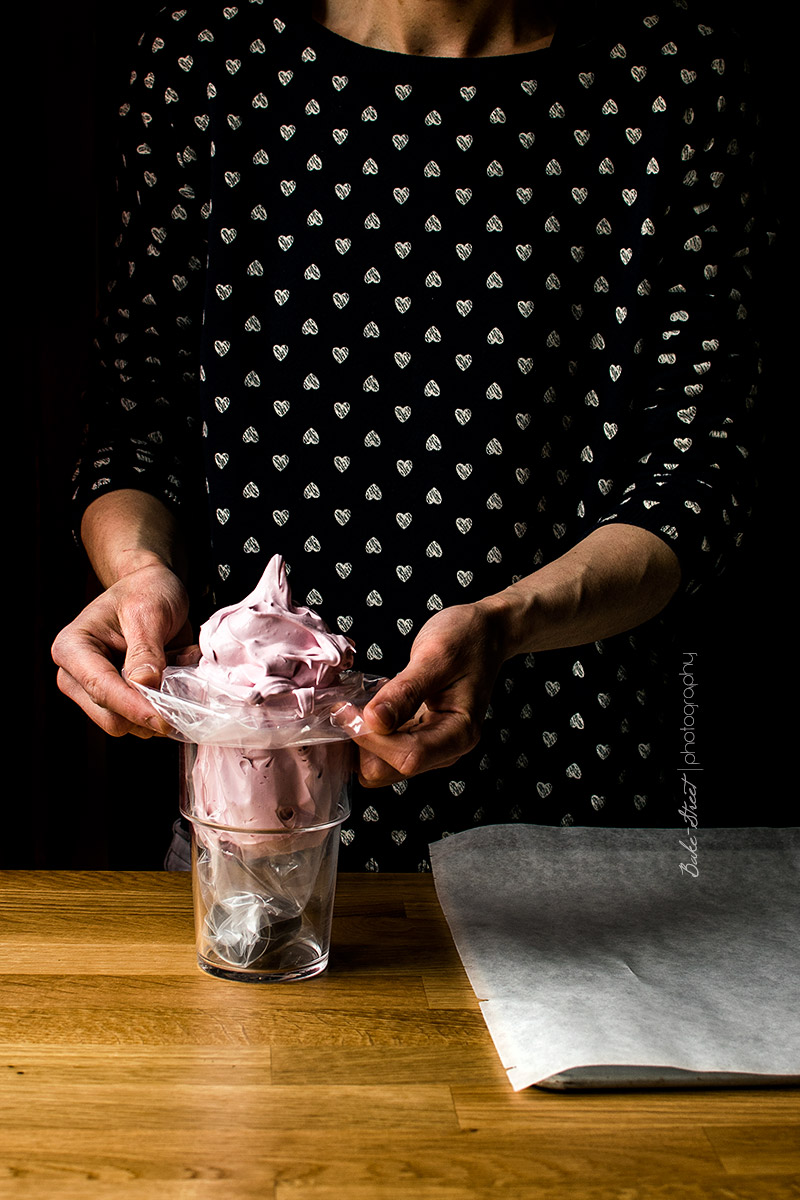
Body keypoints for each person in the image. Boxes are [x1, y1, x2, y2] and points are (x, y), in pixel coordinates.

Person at [52, 0, 764, 870]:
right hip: (257, 820)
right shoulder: (209, 53)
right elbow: (135, 414)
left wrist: (503, 625)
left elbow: (697, 473)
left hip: (576, 815)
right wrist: (138, 571)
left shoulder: (674, 73)